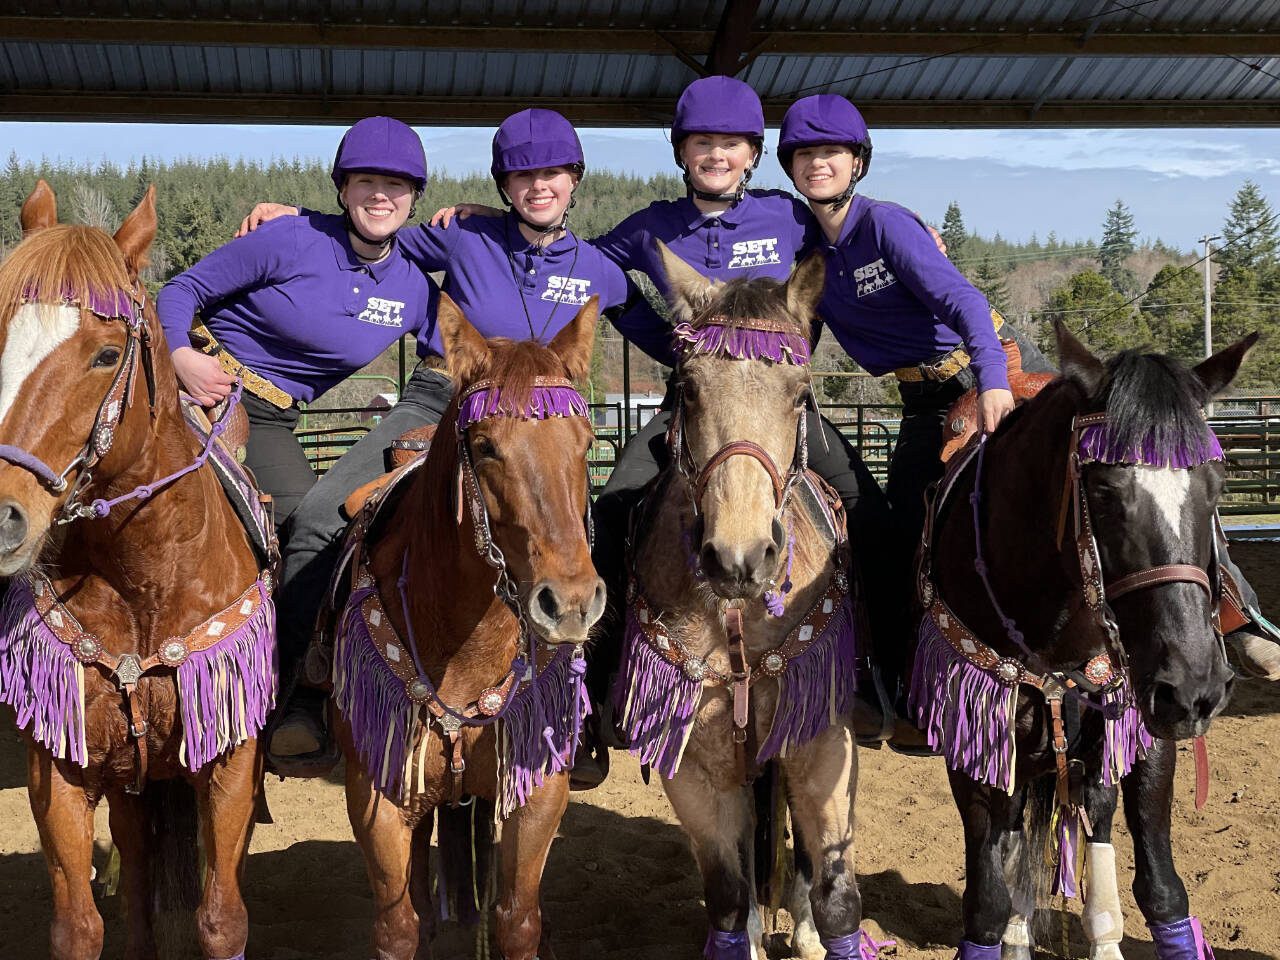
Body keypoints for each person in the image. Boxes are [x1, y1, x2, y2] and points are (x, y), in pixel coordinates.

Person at [776, 93, 1280, 684]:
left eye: (832, 151)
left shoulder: (884, 224)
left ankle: (1238, 615)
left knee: (1135, 472)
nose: (818, 163)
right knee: (904, 530)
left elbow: (963, 301)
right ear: (787, 164)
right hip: (919, 398)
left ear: (857, 161)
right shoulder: (808, 251)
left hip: (997, 366)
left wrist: (993, 382)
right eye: (804, 153)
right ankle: (906, 667)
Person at [239, 109, 675, 769]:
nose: (538, 185)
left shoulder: (598, 268)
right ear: (504, 183)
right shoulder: (463, 237)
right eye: (522, 174)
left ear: (574, 179)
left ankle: (585, 707)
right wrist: (301, 219)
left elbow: (662, 338)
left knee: (592, 532)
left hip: (540, 428)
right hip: (440, 398)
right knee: (321, 516)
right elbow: (369, 233)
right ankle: (304, 690)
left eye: (552, 172)